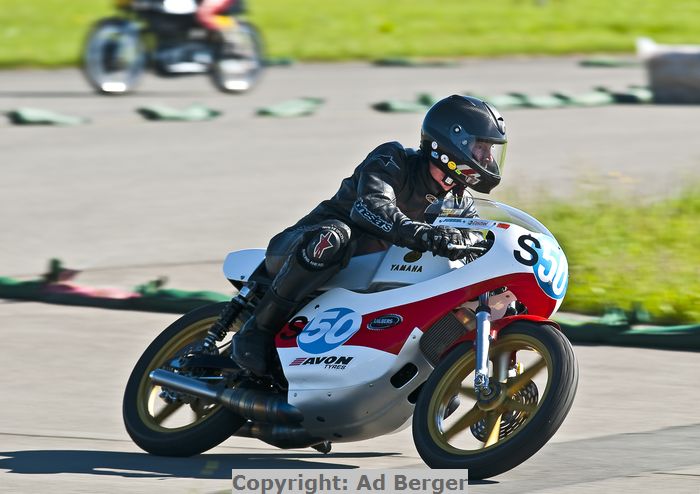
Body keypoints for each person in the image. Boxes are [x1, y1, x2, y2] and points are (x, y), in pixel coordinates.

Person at [231, 94, 508, 376]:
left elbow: (476, 250)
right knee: (333, 237)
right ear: (450, 143)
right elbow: (370, 207)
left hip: (364, 282)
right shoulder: (394, 159)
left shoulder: (460, 204)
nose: (487, 159)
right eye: (480, 147)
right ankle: (258, 330)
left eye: (489, 150)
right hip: (302, 247)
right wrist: (424, 234)